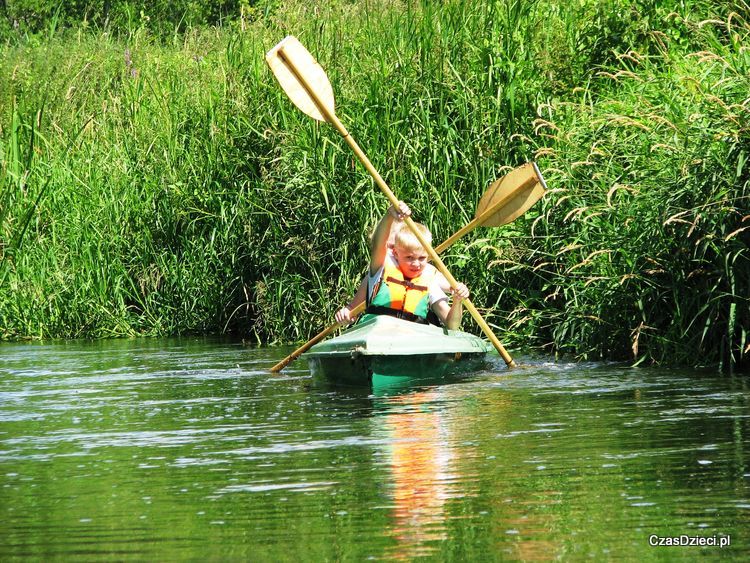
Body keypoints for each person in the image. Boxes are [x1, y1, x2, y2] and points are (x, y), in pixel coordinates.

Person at [336, 201, 469, 330]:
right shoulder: (383, 265)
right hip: (378, 333)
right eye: (409, 257)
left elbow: (453, 325)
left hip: (410, 339)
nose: (416, 264)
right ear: (395, 252)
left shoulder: (429, 277)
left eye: (422, 258)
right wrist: (390, 215)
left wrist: (457, 299)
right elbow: (378, 245)